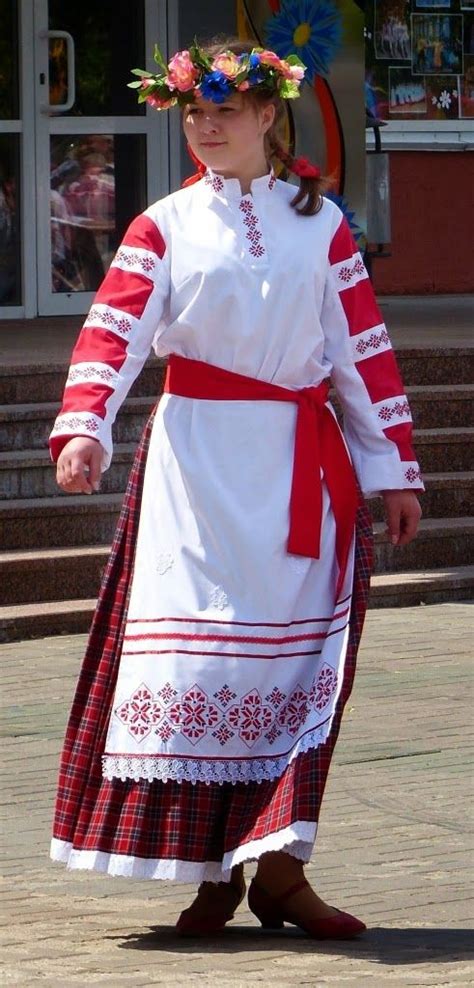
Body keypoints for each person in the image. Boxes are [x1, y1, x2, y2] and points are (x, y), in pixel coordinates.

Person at [49, 38, 423, 939]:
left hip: (300, 467)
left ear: (267, 117)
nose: (208, 127)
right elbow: (115, 332)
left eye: (226, 112)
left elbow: (358, 354)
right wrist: (84, 427)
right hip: (199, 469)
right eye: (196, 114)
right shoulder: (164, 223)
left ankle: (281, 872)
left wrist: (392, 468)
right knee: (203, 664)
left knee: (299, 671)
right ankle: (212, 874)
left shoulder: (323, 224)